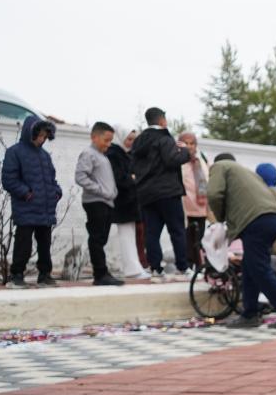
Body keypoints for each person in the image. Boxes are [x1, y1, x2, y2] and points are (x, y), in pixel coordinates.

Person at [206, 156, 276, 329]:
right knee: (250, 267)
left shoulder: (218, 167)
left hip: (257, 220)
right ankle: (249, 314)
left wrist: (220, 219)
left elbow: (213, 193)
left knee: (260, 269)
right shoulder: (246, 173)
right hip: (272, 218)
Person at [131, 107, 192, 282]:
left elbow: (133, 166)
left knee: (152, 233)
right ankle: (183, 268)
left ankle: (156, 269)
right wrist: (184, 150)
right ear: (162, 121)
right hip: (167, 192)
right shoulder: (164, 138)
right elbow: (172, 160)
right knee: (177, 230)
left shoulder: (139, 141)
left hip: (146, 194)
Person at [1, 115, 62, 289]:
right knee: (23, 244)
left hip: (46, 209)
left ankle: (45, 276)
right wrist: (27, 194)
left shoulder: (45, 156)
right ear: (31, 132)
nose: (42, 139)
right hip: (26, 208)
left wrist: (57, 192)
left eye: (45, 136)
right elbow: (9, 180)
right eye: (39, 135)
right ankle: (16, 276)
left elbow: (52, 179)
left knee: (45, 245)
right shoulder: (14, 152)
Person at [73, 122, 123, 286]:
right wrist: (102, 191)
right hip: (95, 202)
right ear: (94, 137)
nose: (108, 144)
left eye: (110, 141)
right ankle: (100, 274)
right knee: (96, 238)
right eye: (106, 140)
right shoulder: (88, 153)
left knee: (101, 239)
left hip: (106, 202)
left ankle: (102, 272)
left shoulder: (102, 156)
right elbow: (80, 177)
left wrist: (112, 193)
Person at [107, 124, 147, 279]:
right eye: (129, 139)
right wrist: (132, 179)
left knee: (130, 234)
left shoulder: (126, 154)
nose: (132, 142)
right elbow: (119, 178)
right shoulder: (114, 154)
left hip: (130, 200)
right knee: (126, 235)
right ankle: (132, 269)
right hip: (122, 200)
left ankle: (134, 267)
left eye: (133, 139)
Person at [180, 132, 211, 268]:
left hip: (201, 206)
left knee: (199, 238)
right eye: (186, 143)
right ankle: (187, 264)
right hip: (185, 207)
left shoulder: (202, 159)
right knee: (186, 237)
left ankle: (199, 265)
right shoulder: (178, 160)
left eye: (192, 143)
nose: (189, 146)